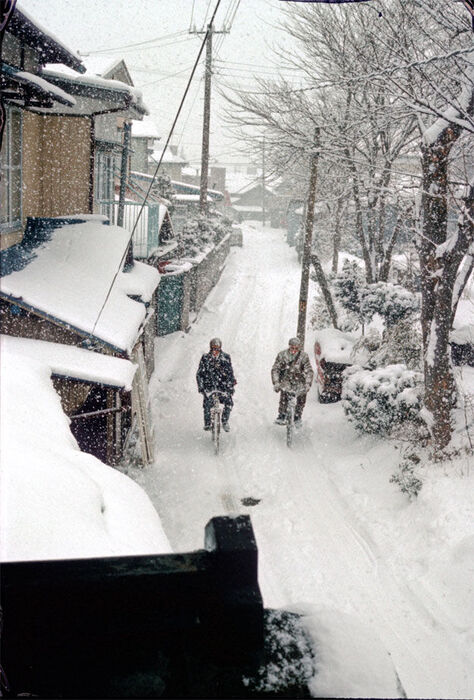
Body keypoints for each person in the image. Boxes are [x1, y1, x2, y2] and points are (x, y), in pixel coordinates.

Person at [271, 337, 314, 427]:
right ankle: (282, 414)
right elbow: (275, 369)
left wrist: (307, 383)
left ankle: (298, 416)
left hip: (300, 380)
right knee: (284, 394)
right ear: (289, 347)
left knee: (302, 396)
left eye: (296, 348)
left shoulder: (303, 356)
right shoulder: (282, 355)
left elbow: (309, 371)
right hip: (286, 379)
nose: (294, 350)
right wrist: (276, 382)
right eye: (292, 348)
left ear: (299, 348)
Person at [196, 337, 237, 432]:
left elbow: (230, 373)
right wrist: (201, 387)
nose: (215, 351)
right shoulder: (205, 358)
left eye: (217, 349)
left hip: (223, 387)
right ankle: (207, 423)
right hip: (209, 387)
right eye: (213, 348)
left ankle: (225, 421)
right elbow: (199, 374)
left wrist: (230, 386)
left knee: (229, 403)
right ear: (210, 348)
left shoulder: (226, 357)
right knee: (207, 404)